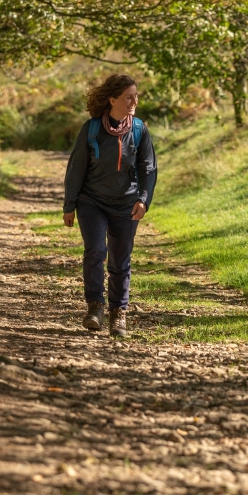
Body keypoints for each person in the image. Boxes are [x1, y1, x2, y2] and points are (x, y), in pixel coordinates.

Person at [62, 74, 158, 338]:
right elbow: (76, 169)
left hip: (126, 204)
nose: (134, 101)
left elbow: (147, 168)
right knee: (95, 250)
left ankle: (119, 314)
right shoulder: (91, 129)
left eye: (136, 96)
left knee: (121, 259)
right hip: (92, 201)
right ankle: (95, 307)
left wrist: (143, 199)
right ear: (112, 99)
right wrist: (70, 205)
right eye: (128, 96)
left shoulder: (139, 129)